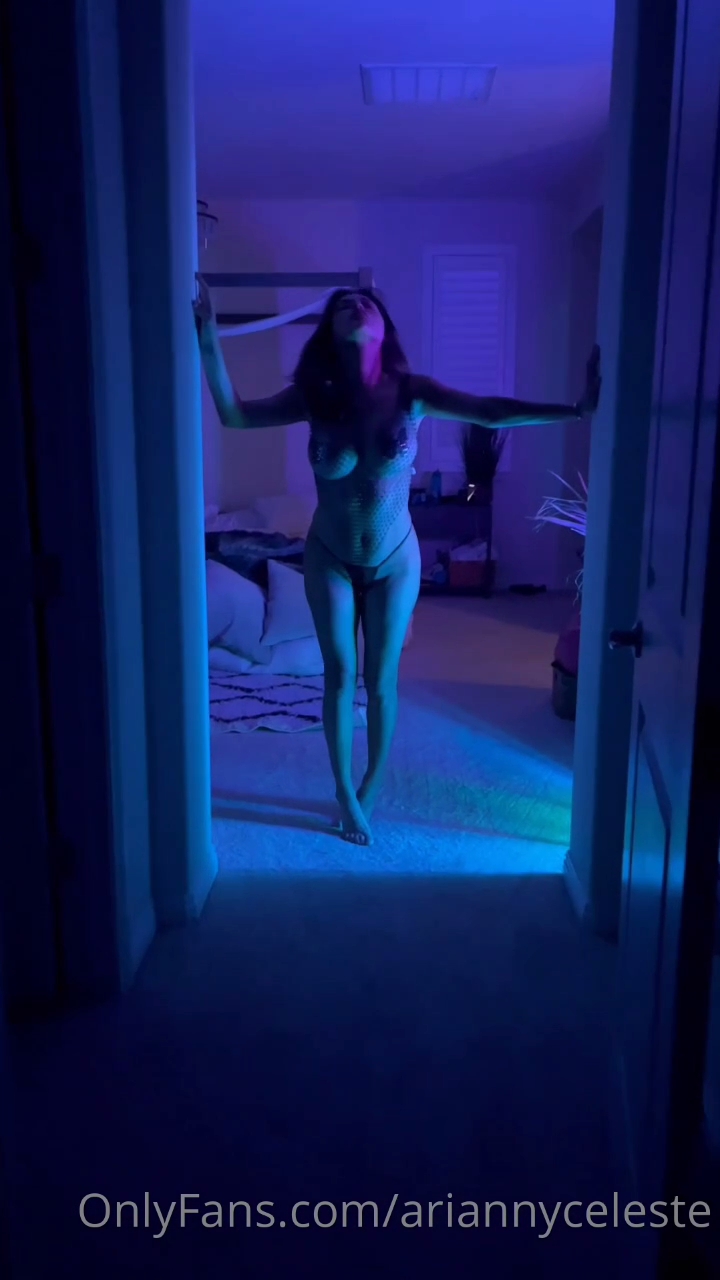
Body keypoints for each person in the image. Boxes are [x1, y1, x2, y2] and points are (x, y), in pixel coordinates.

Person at [194, 279, 601, 846]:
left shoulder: (412, 392)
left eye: (365, 302)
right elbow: (235, 415)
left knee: (380, 681)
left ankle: (371, 784)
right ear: (330, 332)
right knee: (339, 676)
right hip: (329, 555)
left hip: (394, 559)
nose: (355, 305)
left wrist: (576, 411)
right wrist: (208, 340)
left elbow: (490, 412)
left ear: (384, 326)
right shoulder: (314, 396)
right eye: (342, 305)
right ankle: (343, 790)